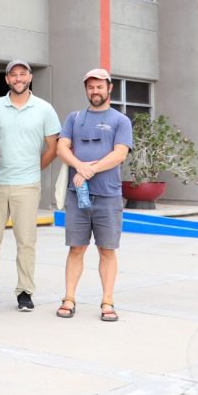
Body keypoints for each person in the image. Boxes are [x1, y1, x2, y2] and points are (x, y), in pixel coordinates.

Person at [0, 60, 60, 312]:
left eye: (23, 74)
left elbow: (53, 147)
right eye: (13, 74)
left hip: (27, 186)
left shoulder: (45, 109)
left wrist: (34, 168)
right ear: (7, 79)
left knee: (26, 241)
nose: (18, 78)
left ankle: (25, 291)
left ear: (30, 77)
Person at [56, 68, 132, 322]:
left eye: (99, 86)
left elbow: (120, 154)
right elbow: (62, 148)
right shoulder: (74, 118)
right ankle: (69, 298)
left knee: (106, 249)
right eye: (91, 87)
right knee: (76, 248)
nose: (95, 91)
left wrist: (89, 170)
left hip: (108, 195)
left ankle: (107, 302)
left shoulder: (121, 120)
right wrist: (80, 166)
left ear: (109, 88)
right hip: (77, 195)